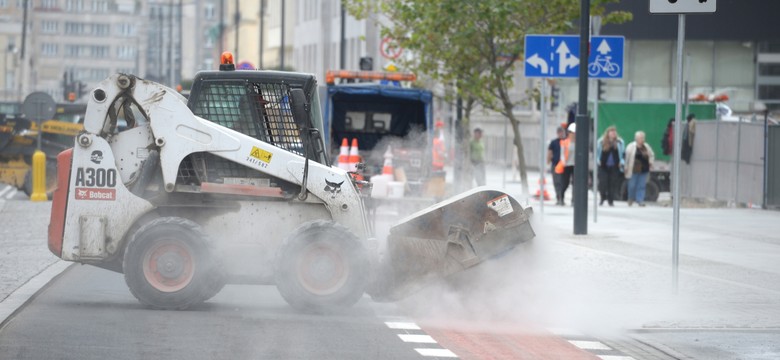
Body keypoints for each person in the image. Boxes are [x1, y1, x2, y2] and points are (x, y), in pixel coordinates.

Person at [624, 131, 655, 206]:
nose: (642, 139)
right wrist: (625, 167)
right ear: (636, 138)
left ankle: (640, 200)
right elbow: (626, 158)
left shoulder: (646, 146)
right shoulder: (631, 146)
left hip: (644, 169)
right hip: (633, 169)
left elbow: (651, 155)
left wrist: (651, 162)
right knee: (632, 185)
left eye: (643, 138)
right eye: (640, 138)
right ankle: (630, 198)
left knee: (641, 185)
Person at [596, 126, 625, 206]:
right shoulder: (601, 141)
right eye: (611, 132)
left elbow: (622, 154)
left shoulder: (619, 142)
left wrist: (622, 162)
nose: (613, 134)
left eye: (614, 132)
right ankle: (602, 197)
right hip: (603, 165)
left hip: (614, 166)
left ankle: (610, 200)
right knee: (603, 183)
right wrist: (598, 160)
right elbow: (597, 153)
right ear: (608, 133)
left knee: (612, 184)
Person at [554, 123, 576, 205]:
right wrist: (563, 162)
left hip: (575, 166)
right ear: (569, 133)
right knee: (565, 183)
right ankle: (561, 198)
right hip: (566, 165)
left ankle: (573, 200)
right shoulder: (565, 142)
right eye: (572, 133)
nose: (573, 134)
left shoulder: (579, 143)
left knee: (575, 184)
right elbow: (562, 154)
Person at [547, 126, 566, 205]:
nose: (561, 134)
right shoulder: (553, 142)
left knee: (563, 182)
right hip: (555, 164)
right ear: (557, 133)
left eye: (562, 132)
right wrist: (548, 161)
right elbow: (550, 152)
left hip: (564, 165)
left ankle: (561, 197)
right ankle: (559, 198)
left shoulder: (566, 141)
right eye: (559, 132)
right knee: (556, 182)